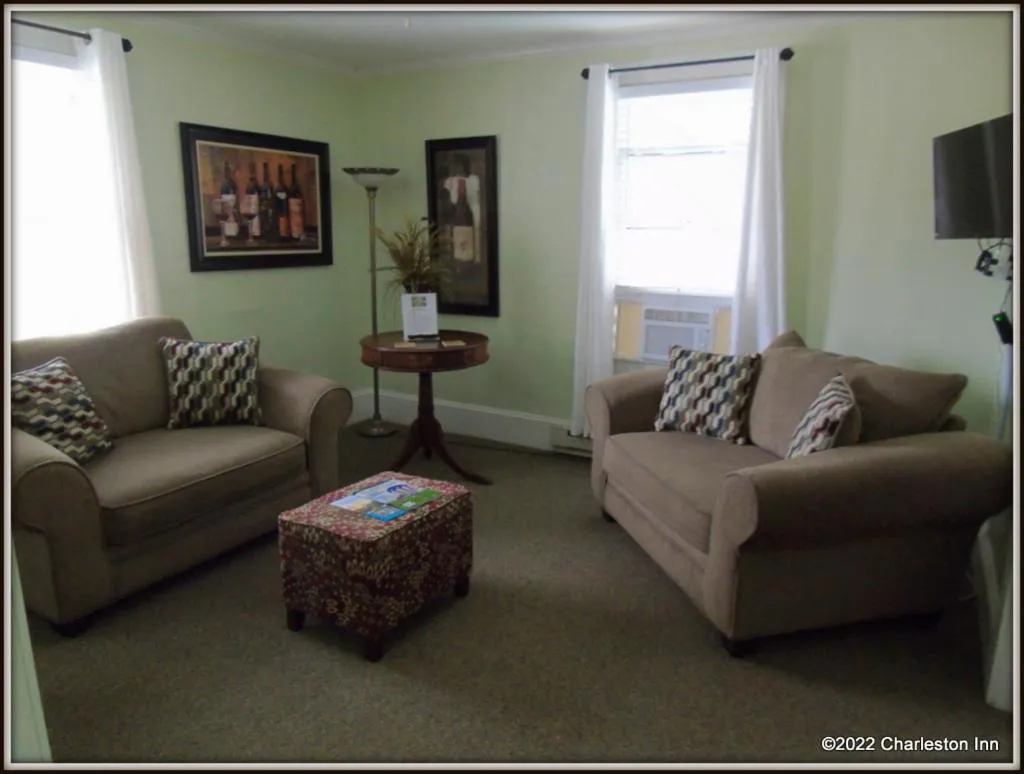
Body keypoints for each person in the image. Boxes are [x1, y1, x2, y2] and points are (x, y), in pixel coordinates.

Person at [441, 154, 482, 274]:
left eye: (457, 166)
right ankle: (460, 264)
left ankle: (466, 265)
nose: (455, 169)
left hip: (466, 221)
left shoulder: (473, 180)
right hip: (458, 222)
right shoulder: (450, 183)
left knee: (465, 241)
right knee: (458, 240)